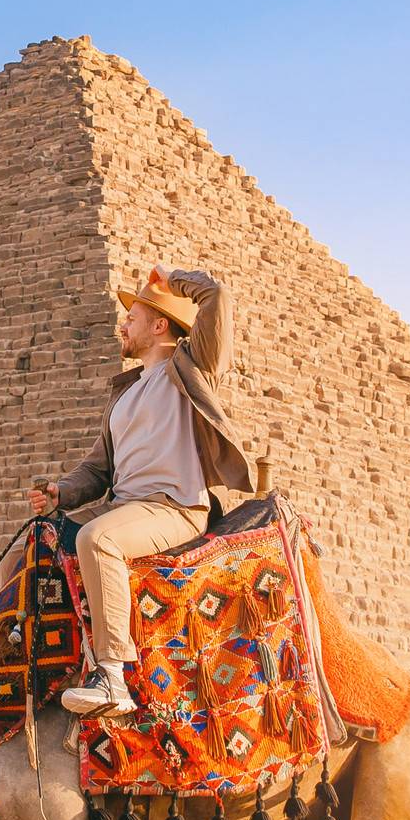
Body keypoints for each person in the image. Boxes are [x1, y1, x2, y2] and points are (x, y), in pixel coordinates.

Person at [30, 266, 257, 719]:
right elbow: (97, 468)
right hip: (124, 507)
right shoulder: (125, 393)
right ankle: (33, 665)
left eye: (131, 317)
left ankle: (112, 675)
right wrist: (60, 492)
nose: (122, 326)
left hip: (174, 507)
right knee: (36, 544)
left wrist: (173, 281)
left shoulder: (191, 369)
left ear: (158, 326)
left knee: (99, 540)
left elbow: (216, 296)